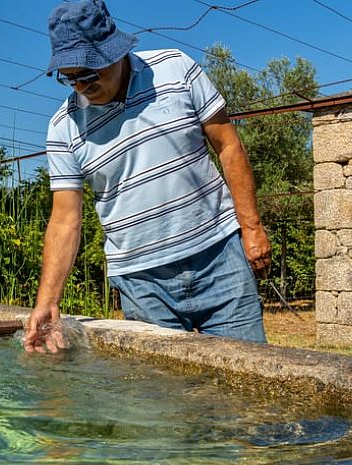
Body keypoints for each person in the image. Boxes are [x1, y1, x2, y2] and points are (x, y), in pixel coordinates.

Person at [24, 0, 271, 353]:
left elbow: (228, 145)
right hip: (143, 284)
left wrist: (251, 228)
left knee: (250, 387)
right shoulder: (63, 127)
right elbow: (65, 219)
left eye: (89, 73)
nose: (81, 86)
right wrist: (47, 300)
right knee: (161, 401)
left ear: (114, 52)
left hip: (220, 258)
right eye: (70, 77)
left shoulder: (176, 69)